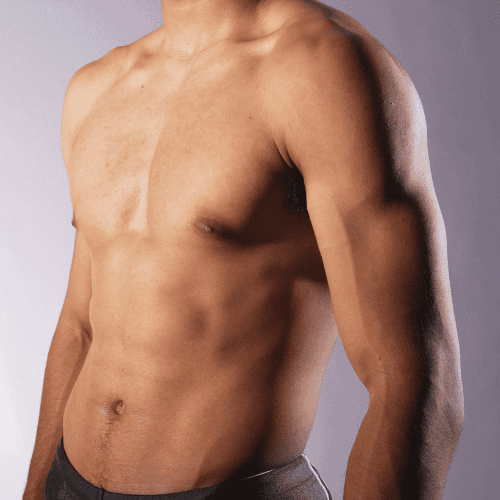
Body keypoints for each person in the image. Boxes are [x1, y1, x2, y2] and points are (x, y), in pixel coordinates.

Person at [22, 0, 464, 499]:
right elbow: (79, 324)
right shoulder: (96, 88)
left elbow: (413, 382)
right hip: (68, 483)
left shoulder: (323, 69)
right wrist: (36, 487)